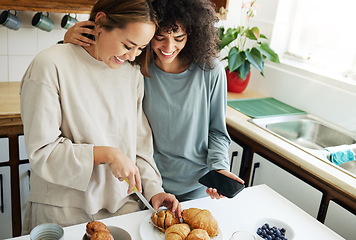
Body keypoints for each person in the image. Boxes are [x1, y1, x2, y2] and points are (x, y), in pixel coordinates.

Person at [20, 0, 180, 235]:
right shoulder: (50, 64)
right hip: (62, 211)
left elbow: (140, 148)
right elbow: (43, 152)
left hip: (122, 208)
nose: (131, 55)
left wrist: (154, 190)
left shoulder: (131, 74)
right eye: (128, 44)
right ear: (101, 22)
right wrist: (108, 154)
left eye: (140, 48)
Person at [64, 0, 244, 202]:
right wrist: (70, 42)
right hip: (147, 183)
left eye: (179, 38)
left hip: (198, 185)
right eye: (160, 37)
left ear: (192, 34)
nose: (169, 46)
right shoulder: (134, 65)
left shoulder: (210, 71)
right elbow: (93, 70)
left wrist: (219, 168)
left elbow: (217, 131)